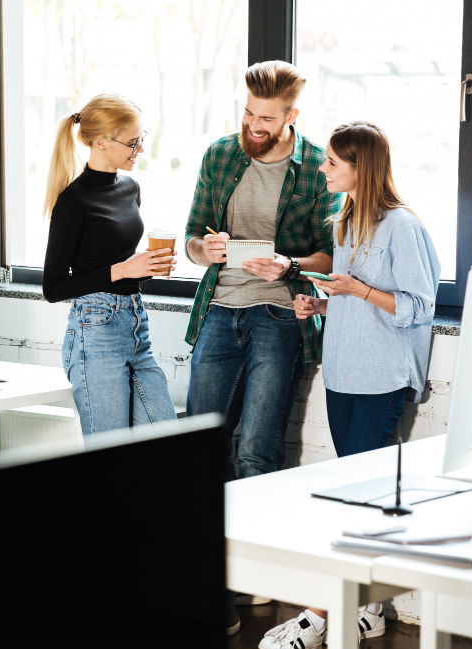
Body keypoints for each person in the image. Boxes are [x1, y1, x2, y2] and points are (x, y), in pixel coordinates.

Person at [257, 121, 441, 649]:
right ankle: (365, 611)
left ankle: (322, 611)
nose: (323, 168)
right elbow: (353, 301)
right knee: (357, 495)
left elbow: (418, 307)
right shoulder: (341, 223)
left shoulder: (403, 227)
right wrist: (320, 304)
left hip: (382, 376)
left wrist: (357, 288)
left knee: (359, 499)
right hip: (341, 373)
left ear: (361, 167)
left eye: (333, 163)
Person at [184, 60, 342, 484]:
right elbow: (192, 240)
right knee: (198, 444)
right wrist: (206, 249)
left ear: (291, 117)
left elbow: (330, 257)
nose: (253, 125)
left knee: (258, 450)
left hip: (279, 314)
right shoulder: (219, 156)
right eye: (249, 113)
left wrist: (289, 265)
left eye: (266, 118)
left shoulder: (315, 167)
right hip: (218, 310)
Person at [42, 93, 179, 437]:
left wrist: (146, 266)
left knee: (167, 440)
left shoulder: (130, 187)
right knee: (111, 460)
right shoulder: (73, 202)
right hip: (95, 330)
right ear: (101, 142)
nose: (140, 151)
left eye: (141, 140)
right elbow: (53, 288)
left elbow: (114, 257)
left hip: (134, 323)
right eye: (132, 143)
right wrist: (123, 270)